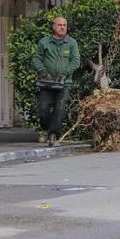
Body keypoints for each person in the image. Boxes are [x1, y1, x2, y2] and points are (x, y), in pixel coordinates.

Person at [30, 16, 80, 146]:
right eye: (59, 25)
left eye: (64, 25)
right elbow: (36, 59)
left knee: (60, 108)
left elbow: (75, 61)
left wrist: (64, 73)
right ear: (53, 27)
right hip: (46, 83)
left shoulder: (71, 43)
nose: (62, 27)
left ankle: (54, 135)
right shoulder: (44, 42)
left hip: (64, 83)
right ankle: (46, 130)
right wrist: (43, 73)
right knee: (42, 108)